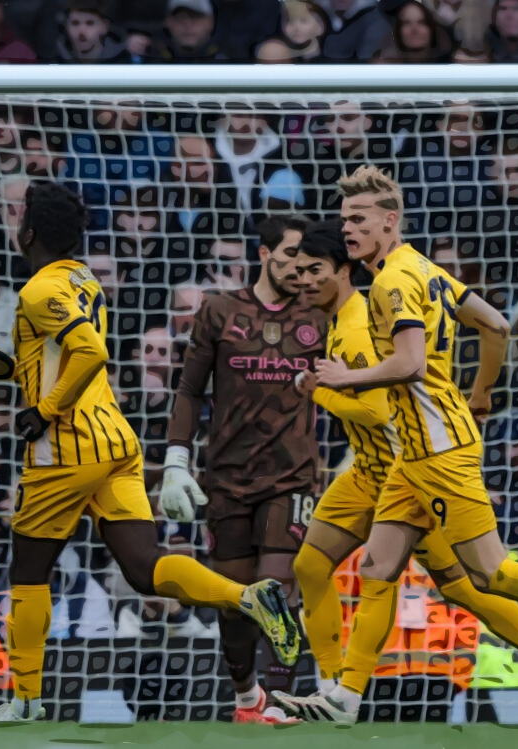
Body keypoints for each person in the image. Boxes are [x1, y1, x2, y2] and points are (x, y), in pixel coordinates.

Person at [267, 165, 518, 724]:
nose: (348, 227)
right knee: (377, 567)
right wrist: (482, 395)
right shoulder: (423, 267)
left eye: (359, 218)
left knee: (491, 574)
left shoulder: (392, 282)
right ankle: (344, 698)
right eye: (345, 217)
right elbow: (494, 324)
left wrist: (338, 381)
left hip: (438, 450)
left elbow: (411, 363)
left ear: (388, 220)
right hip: (415, 456)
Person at [0, 181, 299, 725]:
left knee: (27, 570)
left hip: (67, 447)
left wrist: (44, 411)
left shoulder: (35, 291)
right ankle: (248, 598)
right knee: (144, 568)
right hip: (116, 441)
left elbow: (90, 351)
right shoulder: (81, 278)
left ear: (28, 232)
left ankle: (25, 698)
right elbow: (56, 355)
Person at [160, 215, 329, 725]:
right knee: (235, 602)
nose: (299, 265)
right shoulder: (219, 309)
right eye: (290, 254)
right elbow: (190, 391)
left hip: (292, 475)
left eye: (305, 256)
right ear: (263, 254)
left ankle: (280, 703)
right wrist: (175, 460)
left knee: (277, 590)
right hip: (227, 476)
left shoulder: (321, 315)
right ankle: (247, 699)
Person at [373, 0, 456, 63]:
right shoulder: (384, 70)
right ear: (397, 31)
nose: (414, 29)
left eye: (421, 22)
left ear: (431, 29)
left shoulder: (451, 68)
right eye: (406, 23)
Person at [147, 0, 225, 63]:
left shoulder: (232, 60)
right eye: (180, 17)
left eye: (195, 16)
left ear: (211, 21)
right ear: (168, 21)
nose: (187, 24)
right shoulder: (147, 59)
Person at [54, 0, 131, 63]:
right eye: (75, 23)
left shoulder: (126, 61)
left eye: (90, 23)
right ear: (66, 26)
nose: (82, 30)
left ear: (104, 26)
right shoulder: (53, 60)